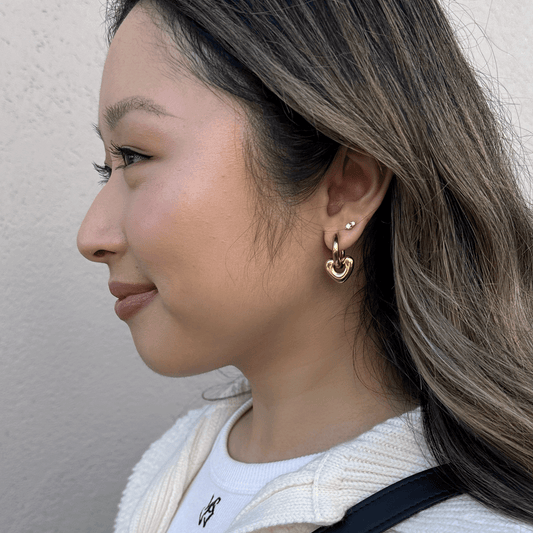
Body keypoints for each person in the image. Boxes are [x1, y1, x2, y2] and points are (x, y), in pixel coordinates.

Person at [76, 0, 533, 531]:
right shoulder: (174, 462)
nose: (91, 236)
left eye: (134, 155)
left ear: (345, 191)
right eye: (106, 167)